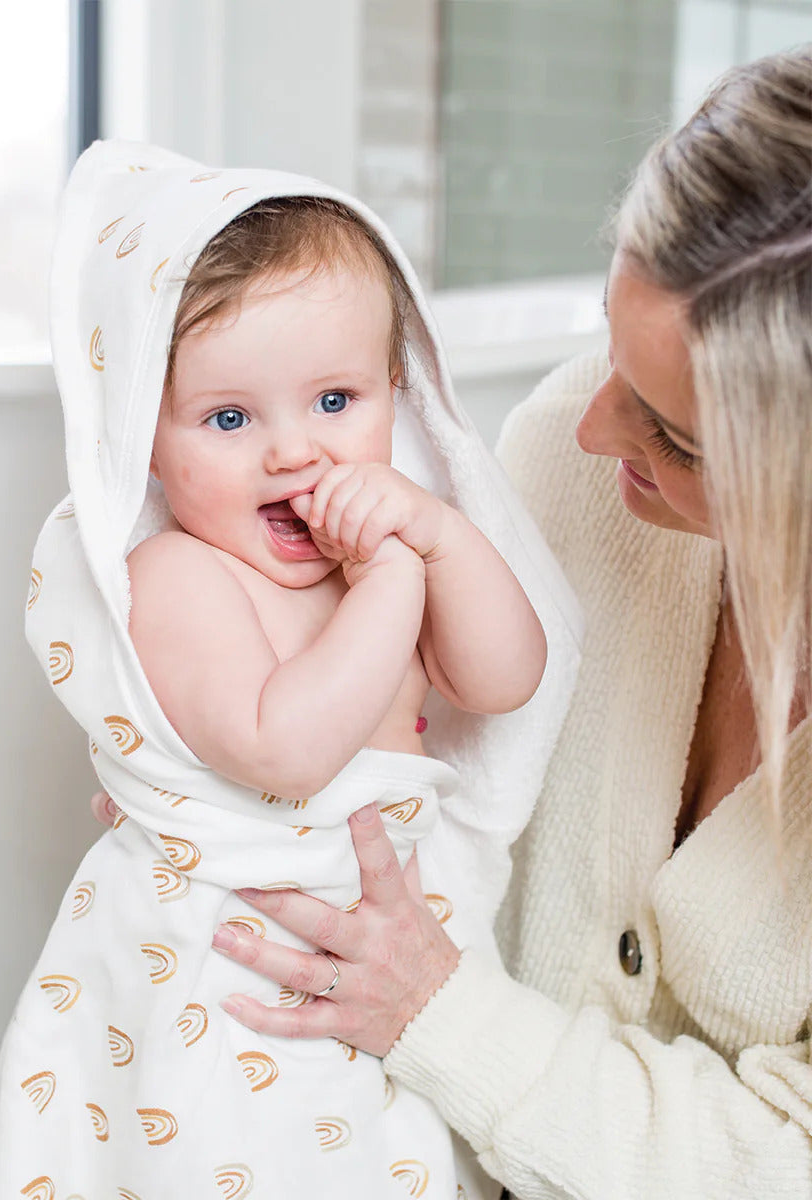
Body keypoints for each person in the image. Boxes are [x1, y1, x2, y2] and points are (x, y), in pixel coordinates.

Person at [203, 44, 812, 1198]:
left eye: (675, 437)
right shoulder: (574, 466)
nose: (591, 431)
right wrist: (228, 766)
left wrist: (437, 1014)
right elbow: (415, 735)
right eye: (610, 353)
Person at [0, 141, 583, 1200]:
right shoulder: (177, 577)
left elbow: (507, 679)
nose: (296, 453)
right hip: (227, 973)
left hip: (380, 959)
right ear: (147, 443)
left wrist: (434, 534)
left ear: (397, 388)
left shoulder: (395, 553)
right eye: (230, 418)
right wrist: (393, 578)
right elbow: (285, 751)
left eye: (336, 401)